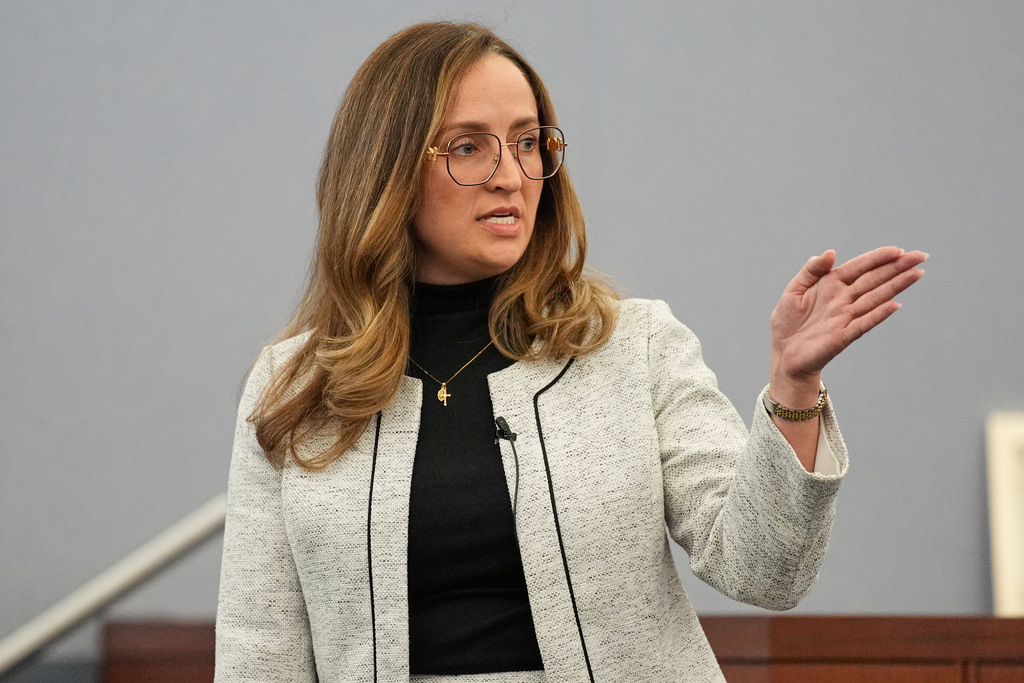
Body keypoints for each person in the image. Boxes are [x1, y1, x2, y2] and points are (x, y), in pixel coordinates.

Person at [214, 21, 926, 683]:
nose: (510, 174)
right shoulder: (295, 386)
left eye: (527, 142)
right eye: (468, 146)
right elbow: (259, 648)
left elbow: (764, 569)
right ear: (386, 169)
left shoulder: (635, 345)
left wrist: (792, 387)